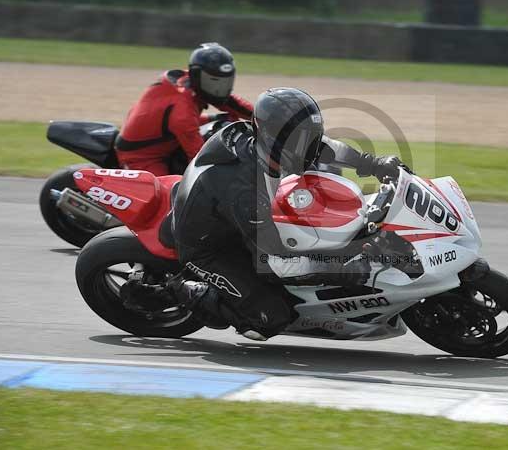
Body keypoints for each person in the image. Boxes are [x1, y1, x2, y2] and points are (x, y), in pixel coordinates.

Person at [165, 87, 402, 340]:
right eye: (300, 141)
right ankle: (179, 289)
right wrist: (339, 270)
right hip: (209, 247)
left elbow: (325, 147)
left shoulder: (263, 147)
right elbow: (274, 264)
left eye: (309, 138)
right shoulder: (246, 190)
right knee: (269, 318)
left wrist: (372, 163)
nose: (309, 149)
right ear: (272, 138)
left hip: (230, 216)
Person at [114, 43, 254, 176]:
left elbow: (231, 103)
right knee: (168, 196)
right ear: (197, 75)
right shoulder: (182, 113)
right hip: (141, 156)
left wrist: (263, 117)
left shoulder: (192, 82)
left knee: (224, 120)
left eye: (225, 82)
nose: (220, 90)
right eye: (214, 82)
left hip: (167, 133)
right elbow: (199, 162)